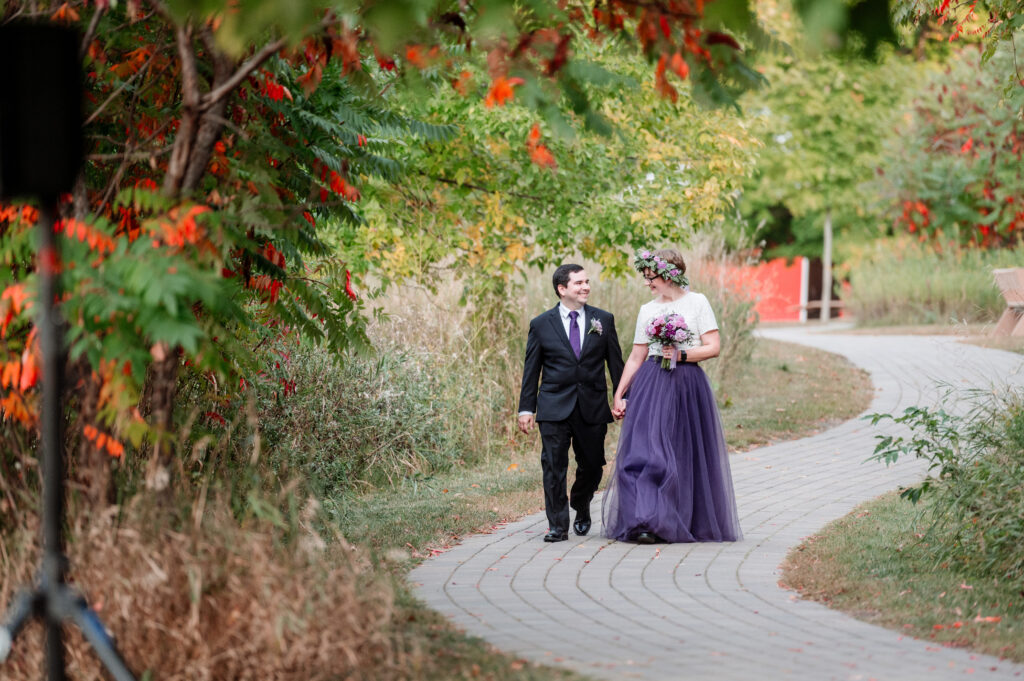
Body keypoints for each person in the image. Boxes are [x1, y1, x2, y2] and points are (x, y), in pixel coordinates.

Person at [602, 248, 741, 544]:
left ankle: (679, 519)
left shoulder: (697, 303)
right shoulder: (647, 310)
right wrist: (620, 392)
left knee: (680, 453)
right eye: (645, 277)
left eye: (651, 277)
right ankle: (646, 521)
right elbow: (637, 356)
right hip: (652, 383)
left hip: (687, 384)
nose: (647, 283)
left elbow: (713, 347)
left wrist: (682, 354)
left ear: (670, 275)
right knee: (645, 453)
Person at [518, 264, 625, 542]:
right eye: (578, 283)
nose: (586, 287)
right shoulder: (541, 324)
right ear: (562, 289)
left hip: (592, 405)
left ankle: (580, 501)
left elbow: (616, 364)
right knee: (553, 465)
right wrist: (526, 409)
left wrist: (623, 396)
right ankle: (557, 525)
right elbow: (531, 370)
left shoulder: (604, 319)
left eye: (587, 282)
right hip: (554, 406)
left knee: (592, 465)